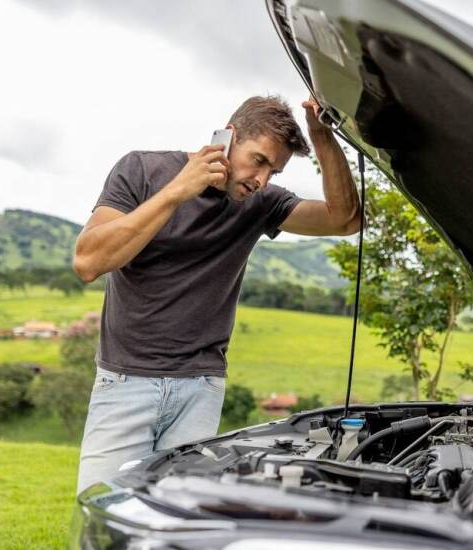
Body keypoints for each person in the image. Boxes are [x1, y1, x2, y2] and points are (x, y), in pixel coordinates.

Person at [72, 95, 360, 493]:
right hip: (125, 382)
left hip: (201, 388)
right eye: (258, 161)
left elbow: (345, 220)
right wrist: (177, 191)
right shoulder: (142, 169)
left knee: (181, 522)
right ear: (228, 136)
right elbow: (89, 261)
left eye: (273, 172)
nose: (261, 180)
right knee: (102, 507)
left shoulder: (260, 203)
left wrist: (322, 136)